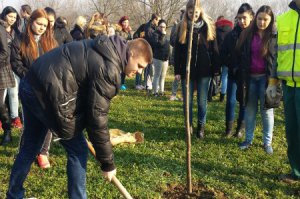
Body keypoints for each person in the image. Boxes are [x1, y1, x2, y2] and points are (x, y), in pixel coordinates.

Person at [6, 34, 152, 198]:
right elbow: (97, 118)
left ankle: (14, 195)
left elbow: (86, 100)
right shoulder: (109, 68)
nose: (139, 71)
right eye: (139, 65)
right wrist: (108, 163)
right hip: (47, 93)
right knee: (78, 150)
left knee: (30, 146)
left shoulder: (106, 47)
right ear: (131, 54)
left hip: (32, 83)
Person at [10, 9, 57, 168]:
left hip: (47, 88)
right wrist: (29, 76)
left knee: (49, 121)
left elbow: (58, 63)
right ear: (31, 22)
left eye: (45, 25)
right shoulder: (20, 40)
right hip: (29, 88)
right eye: (39, 24)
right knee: (30, 123)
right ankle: (25, 152)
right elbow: (16, 63)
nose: (42, 27)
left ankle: (43, 152)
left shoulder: (50, 41)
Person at [174, 0, 220, 139]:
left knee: (202, 101)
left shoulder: (207, 27)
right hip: (186, 71)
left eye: (196, 12)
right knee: (187, 102)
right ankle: (188, 126)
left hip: (204, 70)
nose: (193, 15)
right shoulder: (183, 27)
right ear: (187, 13)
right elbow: (177, 51)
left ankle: (201, 126)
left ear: (200, 12)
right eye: (190, 12)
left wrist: (216, 69)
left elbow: (214, 49)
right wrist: (177, 71)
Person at [267, 0, 300, 182]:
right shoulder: (284, 19)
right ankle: (296, 171)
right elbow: (277, 53)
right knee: (292, 132)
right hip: (288, 87)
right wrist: (273, 81)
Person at [235, 5, 276, 154]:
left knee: (267, 111)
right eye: (259, 18)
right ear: (255, 18)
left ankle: (267, 143)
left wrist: (275, 79)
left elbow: (276, 59)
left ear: (271, 20)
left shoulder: (274, 36)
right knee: (250, 110)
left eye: (265, 19)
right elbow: (239, 53)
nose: (262, 22)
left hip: (267, 80)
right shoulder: (247, 34)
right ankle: (248, 140)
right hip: (250, 78)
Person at [220, 3, 254, 137]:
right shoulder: (231, 35)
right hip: (233, 74)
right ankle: (228, 129)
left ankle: (240, 128)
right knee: (230, 101)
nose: (241, 21)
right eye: (239, 18)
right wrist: (232, 65)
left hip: (248, 75)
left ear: (251, 17)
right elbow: (223, 53)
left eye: (244, 18)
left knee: (244, 102)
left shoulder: (255, 36)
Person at [0, 6, 23, 130]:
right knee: (1, 96)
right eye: (10, 16)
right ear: (4, 15)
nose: (13, 19)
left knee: (14, 93)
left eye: (14, 17)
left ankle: (15, 118)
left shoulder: (16, 32)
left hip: (13, 66)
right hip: (2, 66)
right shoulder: (0, 28)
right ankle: (1, 118)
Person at [215, 16, 233, 102]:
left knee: (214, 74)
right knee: (225, 76)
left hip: (217, 54)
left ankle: (211, 93)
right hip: (226, 56)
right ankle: (222, 95)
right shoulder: (231, 30)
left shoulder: (216, 29)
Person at [151, 19, 170, 96]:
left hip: (165, 59)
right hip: (158, 58)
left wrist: (169, 57)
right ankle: (155, 92)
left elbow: (167, 46)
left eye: (164, 27)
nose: (162, 28)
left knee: (163, 76)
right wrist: (162, 35)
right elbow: (158, 44)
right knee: (157, 75)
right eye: (161, 26)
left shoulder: (166, 35)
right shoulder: (155, 34)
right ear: (158, 27)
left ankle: (161, 91)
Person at [116, 16, 133, 91]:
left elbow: (131, 40)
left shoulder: (128, 30)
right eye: (124, 22)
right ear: (121, 22)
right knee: (119, 69)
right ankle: (117, 83)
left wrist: (130, 32)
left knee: (124, 68)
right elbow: (119, 40)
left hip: (126, 52)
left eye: (127, 22)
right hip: (119, 52)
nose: (126, 24)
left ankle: (122, 83)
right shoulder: (118, 30)